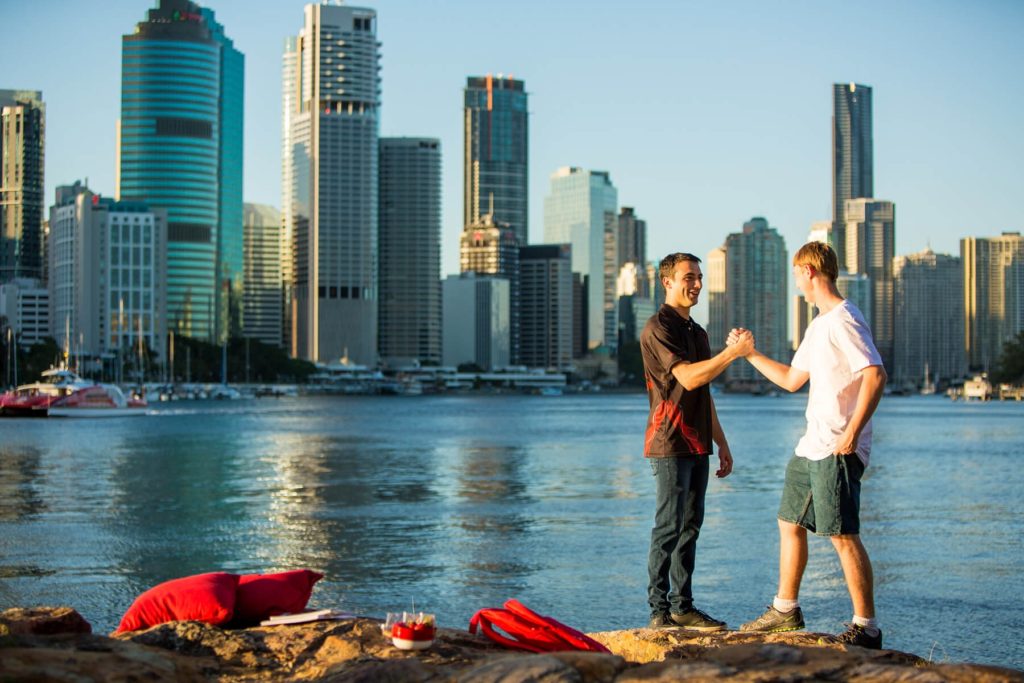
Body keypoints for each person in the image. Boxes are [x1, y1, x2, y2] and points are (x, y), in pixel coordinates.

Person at [732, 241, 887, 649]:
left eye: (797, 273)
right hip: (811, 445)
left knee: (842, 534)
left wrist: (853, 433)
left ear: (810, 271)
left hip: (837, 445)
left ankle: (866, 627)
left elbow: (874, 375)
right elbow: (790, 380)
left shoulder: (842, 319)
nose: (795, 282)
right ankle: (786, 610)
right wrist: (748, 354)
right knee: (789, 522)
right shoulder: (818, 325)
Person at [640, 252, 752, 630]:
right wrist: (733, 353)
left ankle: (683, 607)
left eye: (700, 277)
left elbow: (703, 393)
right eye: (689, 277)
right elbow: (688, 378)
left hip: (698, 444)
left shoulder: (697, 332)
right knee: (669, 527)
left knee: (691, 527)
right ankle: (659, 613)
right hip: (668, 442)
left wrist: (722, 442)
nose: (697, 284)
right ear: (667, 281)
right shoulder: (658, 328)